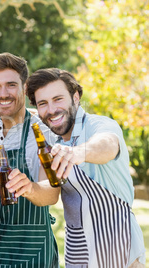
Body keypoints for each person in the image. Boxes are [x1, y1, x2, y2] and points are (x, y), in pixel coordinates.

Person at [25, 68, 146, 268]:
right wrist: (29, 188)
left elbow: (107, 144)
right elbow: (17, 109)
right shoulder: (50, 137)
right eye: (43, 104)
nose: (52, 110)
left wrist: (79, 152)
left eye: (58, 99)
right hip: (78, 251)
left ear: (75, 97)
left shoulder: (99, 125)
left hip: (118, 248)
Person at [0, 52, 59, 268]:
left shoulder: (42, 132)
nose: (3, 94)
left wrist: (29, 188)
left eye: (11, 85)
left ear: (24, 86)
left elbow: (52, 192)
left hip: (35, 253)